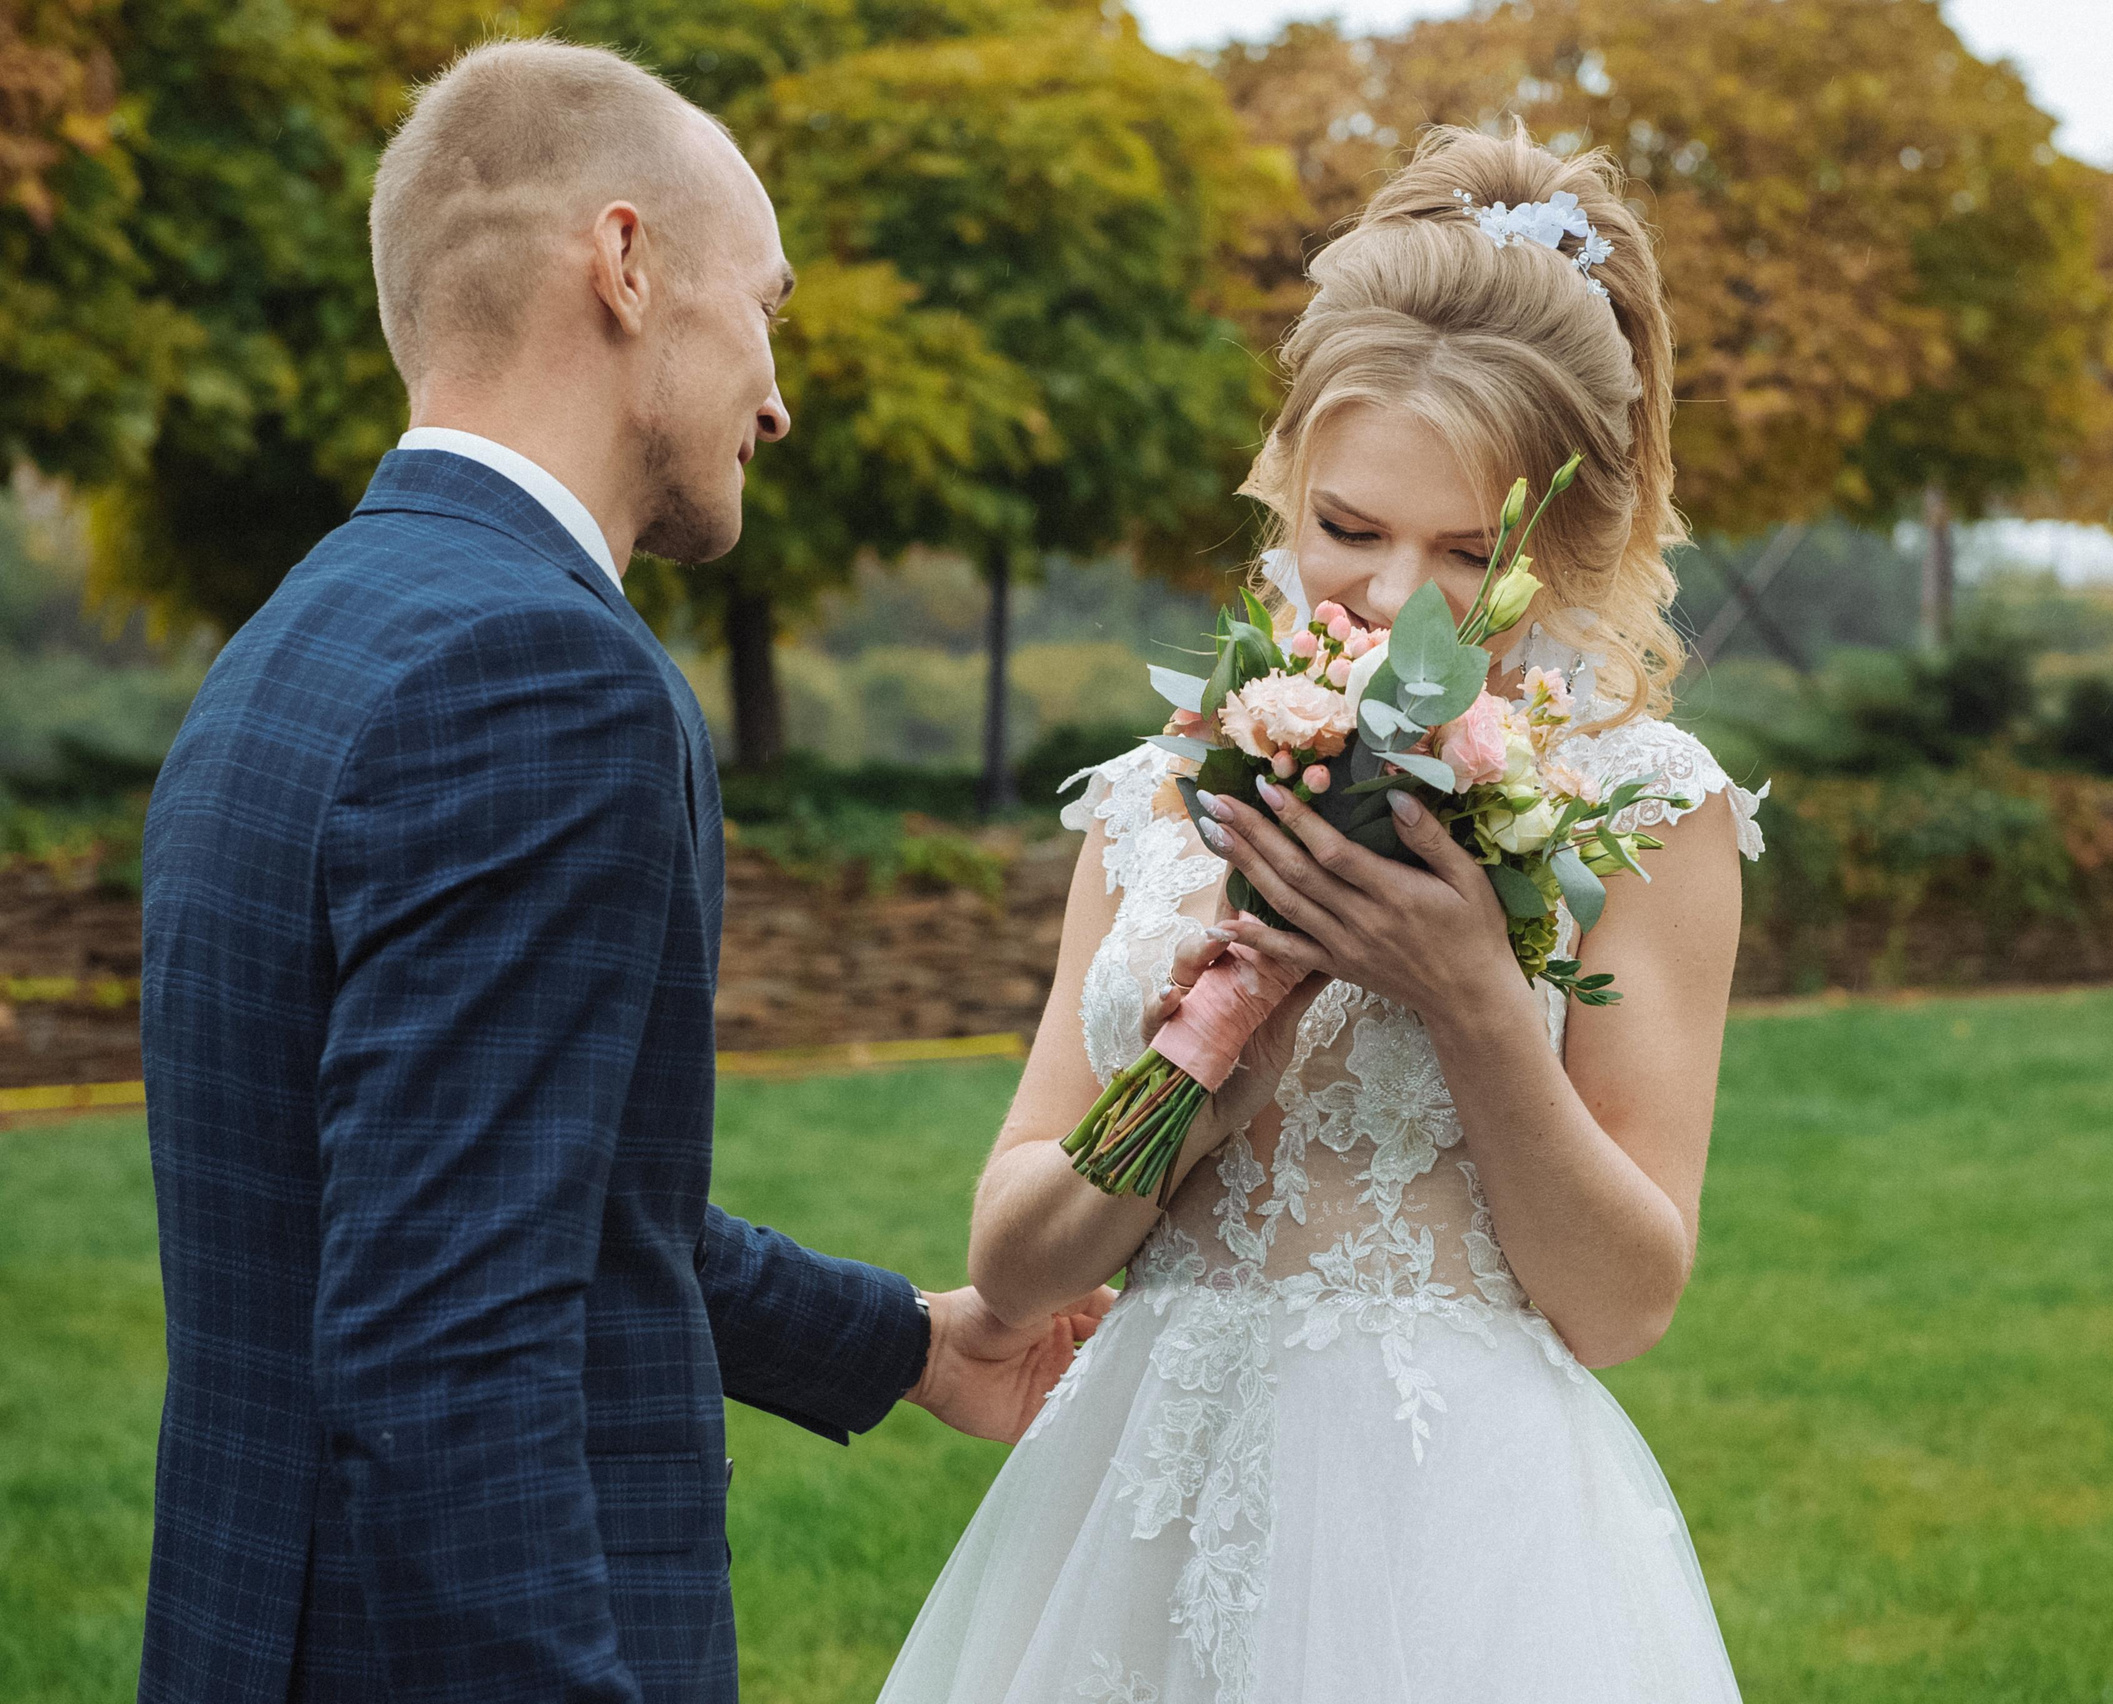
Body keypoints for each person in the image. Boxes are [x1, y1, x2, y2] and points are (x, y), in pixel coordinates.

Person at [136, 41, 1104, 1704]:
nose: (778, 396)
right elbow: (447, 1355)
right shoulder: (535, 672)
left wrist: (910, 1346)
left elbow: (501, 1196)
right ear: (627, 261)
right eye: (770, 308)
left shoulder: (303, 638)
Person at [879, 128, 1763, 1703]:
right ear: (1286, 481)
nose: (1392, 604)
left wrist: (1477, 996)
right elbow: (1011, 1269)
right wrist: (1195, 1090)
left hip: (1459, 1534)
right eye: (1349, 528)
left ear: (1566, 544)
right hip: (1137, 1491)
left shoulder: (1647, 808)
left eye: (1471, 555)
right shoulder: (1163, 792)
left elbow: (1626, 1302)